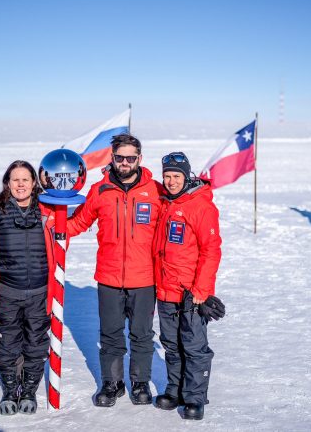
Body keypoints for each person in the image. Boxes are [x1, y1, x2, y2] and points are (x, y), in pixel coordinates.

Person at [67, 133, 163, 407]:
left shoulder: (155, 191)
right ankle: (112, 383)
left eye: (130, 158)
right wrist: (51, 223)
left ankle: (140, 382)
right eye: (119, 157)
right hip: (109, 277)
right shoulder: (100, 190)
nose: (124, 162)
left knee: (142, 334)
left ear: (139, 159)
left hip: (144, 278)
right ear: (113, 158)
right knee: (110, 333)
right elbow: (78, 223)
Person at [152, 152, 222, 421]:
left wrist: (201, 292)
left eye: (176, 176)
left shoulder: (200, 206)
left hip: (191, 291)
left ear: (187, 176)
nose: (170, 181)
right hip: (165, 288)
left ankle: (194, 397)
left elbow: (211, 251)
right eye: (167, 175)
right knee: (171, 343)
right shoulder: (167, 203)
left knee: (193, 346)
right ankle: (175, 390)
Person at [0, 160, 57, 415]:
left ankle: (28, 390)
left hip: (39, 293)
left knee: (36, 344)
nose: (20, 184)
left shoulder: (47, 211)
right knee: (7, 344)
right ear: (8, 182)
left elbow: (68, 229)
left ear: (33, 183)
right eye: (15, 179)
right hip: (7, 292)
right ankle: (9, 389)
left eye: (25, 179)